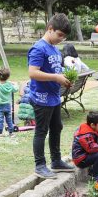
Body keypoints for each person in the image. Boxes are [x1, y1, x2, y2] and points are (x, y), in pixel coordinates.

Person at [28, 13, 73, 179]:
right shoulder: (39, 48)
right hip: (41, 98)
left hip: (53, 97)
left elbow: (56, 70)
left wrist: (65, 79)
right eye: (59, 35)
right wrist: (55, 78)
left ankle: (56, 161)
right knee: (41, 131)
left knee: (57, 127)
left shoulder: (54, 47)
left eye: (64, 36)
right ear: (50, 29)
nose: (61, 39)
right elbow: (33, 73)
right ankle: (40, 165)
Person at [72, 110, 98, 182]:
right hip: (81, 160)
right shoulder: (85, 134)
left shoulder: (92, 130)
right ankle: (95, 175)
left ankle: (95, 170)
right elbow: (90, 148)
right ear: (92, 125)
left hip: (86, 155)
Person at [0, 66, 18, 137]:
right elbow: (15, 89)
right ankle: (11, 133)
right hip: (8, 105)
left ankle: (0, 133)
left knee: (0, 120)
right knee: (9, 120)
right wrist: (16, 84)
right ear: (8, 76)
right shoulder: (9, 84)